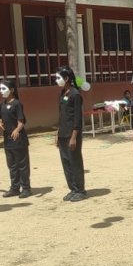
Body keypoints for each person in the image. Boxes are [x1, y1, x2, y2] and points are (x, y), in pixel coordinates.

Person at [55, 66, 87, 202]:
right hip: (63, 133)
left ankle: (80, 190)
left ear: (67, 78)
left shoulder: (75, 95)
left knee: (75, 162)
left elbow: (77, 118)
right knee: (66, 163)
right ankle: (73, 188)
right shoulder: (63, 93)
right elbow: (62, 116)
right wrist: (57, 133)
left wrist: (74, 137)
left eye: (58, 78)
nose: (56, 80)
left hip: (72, 134)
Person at [0, 79, 31, 198]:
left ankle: (26, 188)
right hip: (8, 140)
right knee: (12, 165)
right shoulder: (1, 104)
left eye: (4, 89)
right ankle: (15, 188)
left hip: (19, 140)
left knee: (22, 165)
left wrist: (17, 129)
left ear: (11, 90)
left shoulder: (17, 104)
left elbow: (22, 121)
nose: (1, 91)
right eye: (0, 89)